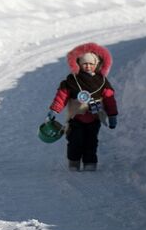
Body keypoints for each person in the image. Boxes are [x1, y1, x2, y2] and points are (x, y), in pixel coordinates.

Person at [46, 42, 118, 172]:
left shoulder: (102, 81)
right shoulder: (72, 80)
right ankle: (74, 162)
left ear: (97, 65)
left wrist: (112, 115)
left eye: (91, 64)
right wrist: (54, 109)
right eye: (85, 63)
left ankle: (90, 163)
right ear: (78, 63)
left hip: (94, 117)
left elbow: (109, 99)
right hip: (76, 118)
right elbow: (62, 96)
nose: (88, 66)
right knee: (75, 141)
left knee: (91, 141)